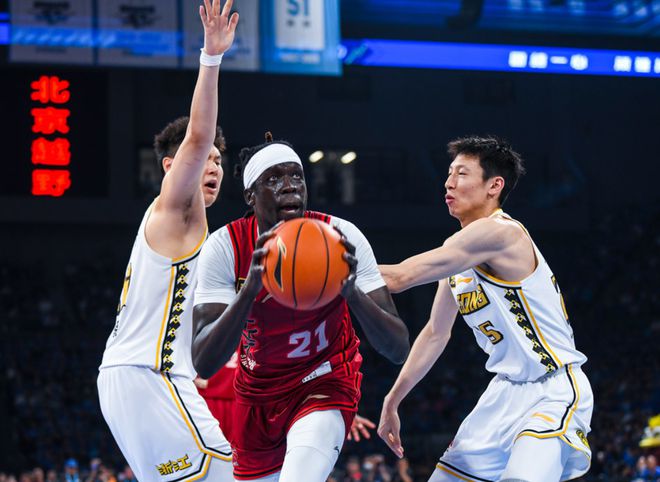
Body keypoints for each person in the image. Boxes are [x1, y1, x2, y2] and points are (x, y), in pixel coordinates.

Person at [192, 134, 410, 481]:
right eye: (274, 179)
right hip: (257, 397)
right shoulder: (225, 247)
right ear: (250, 195)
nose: (290, 186)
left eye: (296, 176)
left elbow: (397, 348)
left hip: (324, 381)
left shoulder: (341, 236)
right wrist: (249, 291)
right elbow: (204, 361)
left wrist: (351, 293)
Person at [377, 136, 593, 482]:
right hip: (502, 395)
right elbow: (435, 333)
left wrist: (327, 261)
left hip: (552, 389)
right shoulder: (458, 253)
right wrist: (393, 399)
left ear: (494, 185)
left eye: (461, 174)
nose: (448, 183)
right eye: (449, 173)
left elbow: (400, 277)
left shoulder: (502, 233)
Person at [96, 1, 238, 481]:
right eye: (205, 158)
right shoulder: (175, 209)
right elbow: (196, 139)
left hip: (143, 377)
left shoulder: (195, 232)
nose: (213, 166)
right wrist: (212, 57)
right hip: (147, 376)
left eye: (219, 161)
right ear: (170, 167)